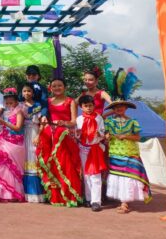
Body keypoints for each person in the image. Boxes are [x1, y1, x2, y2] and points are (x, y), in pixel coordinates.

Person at [34, 78, 83, 207]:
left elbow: (73, 121)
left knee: (66, 164)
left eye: (59, 85)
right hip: (49, 136)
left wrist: (64, 123)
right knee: (51, 165)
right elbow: (44, 120)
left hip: (64, 137)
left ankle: (69, 196)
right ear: (50, 88)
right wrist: (39, 134)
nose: (57, 88)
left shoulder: (70, 101)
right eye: (54, 86)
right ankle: (56, 197)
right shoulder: (48, 102)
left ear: (65, 87)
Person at [105, 100, 152, 213]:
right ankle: (122, 201)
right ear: (113, 109)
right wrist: (107, 136)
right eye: (116, 107)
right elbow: (105, 134)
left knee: (129, 177)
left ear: (126, 107)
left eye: (121, 106)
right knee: (118, 177)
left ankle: (125, 203)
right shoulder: (108, 121)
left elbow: (137, 137)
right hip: (115, 153)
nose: (119, 108)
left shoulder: (132, 122)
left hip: (130, 153)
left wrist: (125, 136)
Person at [75, 95, 106, 212]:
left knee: (95, 175)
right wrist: (77, 133)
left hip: (94, 149)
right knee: (86, 175)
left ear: (94, 105)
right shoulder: (79, 119)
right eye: (86, 106)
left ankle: (96, 201)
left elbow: (102, 132)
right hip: (83, 149)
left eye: (90, 105)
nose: (88, 108)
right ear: (81, 107)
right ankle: (88, 199)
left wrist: (100, 135)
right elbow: (77, 135)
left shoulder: (99, 118)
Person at [21, 83, 45, 203]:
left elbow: (42, 123)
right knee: (24, 159)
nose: (26, 93)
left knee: (33, 158)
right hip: (22, 134)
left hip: (34, 133)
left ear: (33, 92)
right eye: (24, 91)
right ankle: (24, 192)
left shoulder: (38, 105)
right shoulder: (19, 106)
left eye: (29, 91)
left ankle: (36, 193)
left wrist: (39, 136)